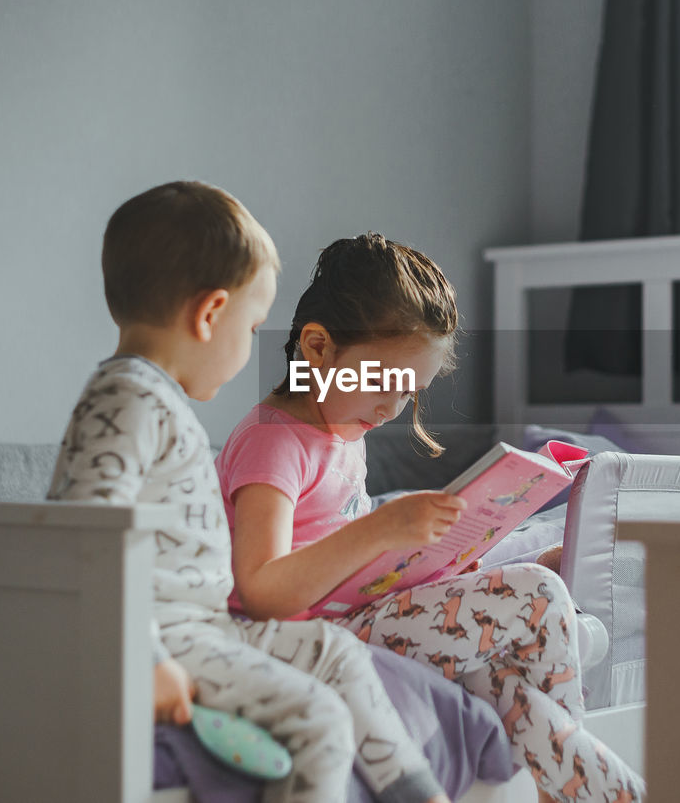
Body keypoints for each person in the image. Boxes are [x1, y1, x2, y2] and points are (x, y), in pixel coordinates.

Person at [47, 184, 450, 803]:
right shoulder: (128, 399)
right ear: (210, 315)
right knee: (318, 719)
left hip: (205, 624)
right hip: (167, 631)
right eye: (253, 325)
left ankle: (409, 786)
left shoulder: (151, 398)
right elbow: (86, 534)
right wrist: (144, 657)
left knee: (335, 655)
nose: (252, 349)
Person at [217, 232, 646, 803]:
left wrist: (459, 557)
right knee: (537, 594)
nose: (391, 410)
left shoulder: (343, 430)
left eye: (408, 395)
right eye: (382, 385)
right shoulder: (274, 442)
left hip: (365, 612)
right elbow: (262, 589)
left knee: (513, 689)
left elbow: (365, 562)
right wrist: (379, 529)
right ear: (317, 348)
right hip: (316, 637)